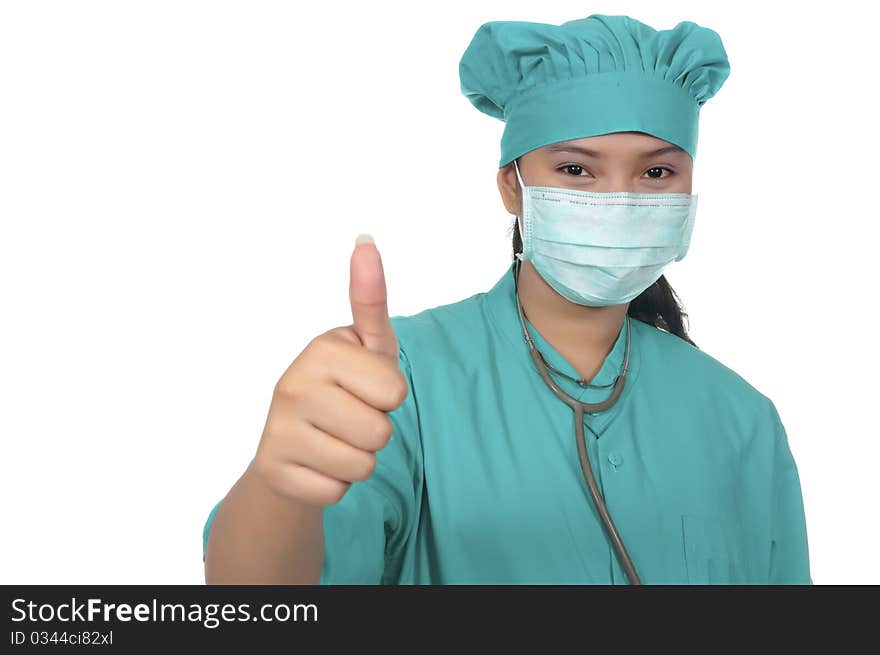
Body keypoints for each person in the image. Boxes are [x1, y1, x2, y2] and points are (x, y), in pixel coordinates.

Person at [202, 14, 812, 584]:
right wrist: (277, 490)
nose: (620, 201)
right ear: (512, 188)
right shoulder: (396, 383)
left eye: (657, 173)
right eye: (576, 170)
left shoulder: (742, 420)